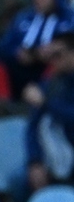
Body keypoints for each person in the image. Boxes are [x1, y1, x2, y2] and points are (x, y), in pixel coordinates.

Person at [0, 0, 74, 98]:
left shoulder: (69, 19)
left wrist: (51, 51)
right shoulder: (24, 17)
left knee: (60, 62)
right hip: (20, 66)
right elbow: (5, 44)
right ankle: (3, 101)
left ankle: (46, 100)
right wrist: (17, 51)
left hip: (51, 69)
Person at [24, 33, 74, 190]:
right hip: (52, 157)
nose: (54, 61)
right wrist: (35, 161)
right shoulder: (51, 85)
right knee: (22, 182)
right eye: (51, 56)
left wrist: (46, 104)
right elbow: (33, 126)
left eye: (58, 55)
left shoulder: (49, 95)